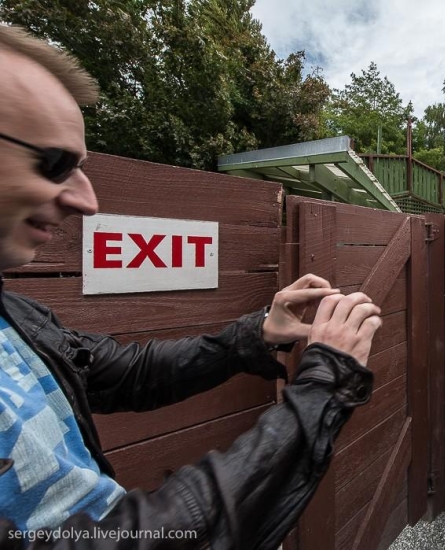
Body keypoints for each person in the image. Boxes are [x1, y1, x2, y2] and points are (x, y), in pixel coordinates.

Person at [0, 24, 382, 548]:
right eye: (55, 163)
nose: (88, 201)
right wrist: (323, 386)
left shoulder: (13, 317)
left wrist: (256, 336)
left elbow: (126, 375)